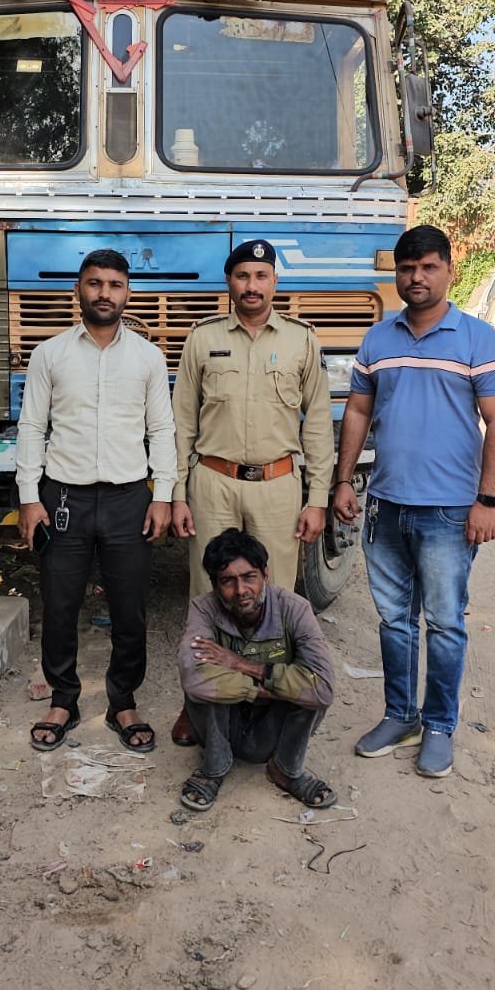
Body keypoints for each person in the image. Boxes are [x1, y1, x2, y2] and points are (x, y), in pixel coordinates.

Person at [333, 225, 495, 778]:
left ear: (449, 272)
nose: (417, 277)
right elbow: (358, 412)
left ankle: (438, 725)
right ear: (397, 273)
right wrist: (344, 481)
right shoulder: (377, 339)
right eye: (408, 268)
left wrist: (488, 500)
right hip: (386, 505)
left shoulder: (478, 339)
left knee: (444, 623)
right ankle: (400, 716)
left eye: (429, 267)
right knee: (394, 621)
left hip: (449, 512)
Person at [170, 238, 333, 745]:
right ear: (230, 283)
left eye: (261, 276)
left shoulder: (302, 341)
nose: (252, 285)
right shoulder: (202, 338)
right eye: (242, 276)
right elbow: (181, 423)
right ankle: (197, 704)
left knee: (275, 597)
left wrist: (318, 498)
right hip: (213, 482)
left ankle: (275, 707)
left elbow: (318, 424)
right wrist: (177, 492)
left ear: (275, 282)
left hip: (277, 485)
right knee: (207, 595)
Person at [17, 249, 176, 753]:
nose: (104, 293)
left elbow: (161, 429)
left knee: (130, 608)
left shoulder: (148, 358)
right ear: (78, 290)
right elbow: (32, 427)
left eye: (114, 284)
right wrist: (29, 498)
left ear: (127, 293)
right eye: (94, 283)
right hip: (64, 498)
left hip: (130, 499)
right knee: (60, 605)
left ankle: (122, 701)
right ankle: (63, 699)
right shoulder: (50, 354)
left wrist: (162, 495)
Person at [177, 528, 336, 811]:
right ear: (215, 585)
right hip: (224, 724)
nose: (241, 591)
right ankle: (214, 768)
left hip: (272, 727)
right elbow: (194, 677)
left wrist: (241, 664)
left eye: (249, 577)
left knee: (311, 691)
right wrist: (264, 688)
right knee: (206, 689)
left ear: (266, 575)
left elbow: (322, 688)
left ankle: (285, 770)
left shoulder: (295, 608)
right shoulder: (203, 608)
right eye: (228, 581)